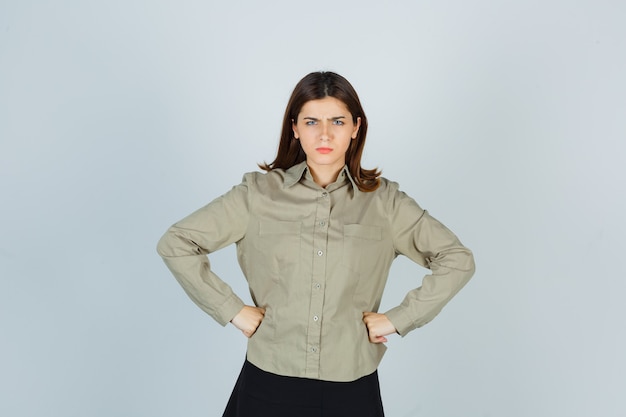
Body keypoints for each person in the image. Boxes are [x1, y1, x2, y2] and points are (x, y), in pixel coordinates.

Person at [157, 71, 475, 416]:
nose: (324, 134)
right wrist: (232, 310)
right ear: (295, 127)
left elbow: (455, 258)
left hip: (351, 386)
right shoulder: (257, 195)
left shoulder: (386, 203)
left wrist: (399, 319)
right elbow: (178, 242)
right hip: (269, 380)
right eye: (311, 121)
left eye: (337, 121)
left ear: (355, 127)